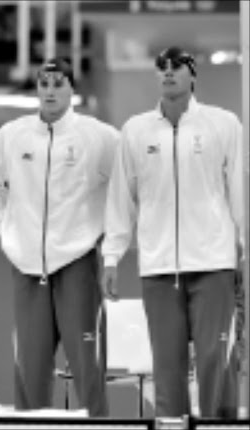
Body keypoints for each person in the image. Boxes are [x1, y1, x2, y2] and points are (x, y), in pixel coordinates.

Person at [101, 46, 245, 418]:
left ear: (193, 74)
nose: (168, 72)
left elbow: (238, 193)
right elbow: (121, 198)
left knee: (216, 358)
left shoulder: (224, 124)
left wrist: (243, 249)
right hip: (159, 266)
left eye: (177, 66)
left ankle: (218, 427)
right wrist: (112, 256)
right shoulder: (135, 130)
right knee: (167, 366)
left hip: (213, 262)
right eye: (161, 67)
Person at [0, 58, 119, 415]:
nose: (50, 90)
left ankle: (97, 426)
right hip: (26, 267)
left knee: (87, 365)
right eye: (44, 83)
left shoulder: (98, 136)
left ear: (72, 88)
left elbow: (126, 185)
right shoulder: (13, 135)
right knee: (30, 367)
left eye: (58, 83)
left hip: (77, 262)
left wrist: (109, 241)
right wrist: (5, 227)